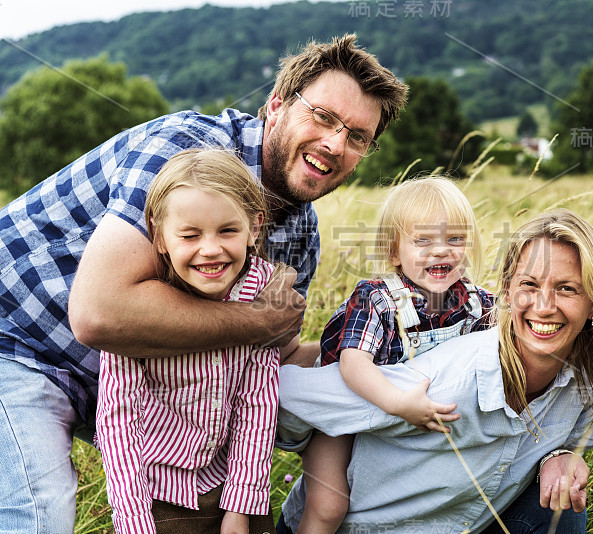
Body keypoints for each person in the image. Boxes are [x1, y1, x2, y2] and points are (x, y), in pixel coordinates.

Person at [0, 34, 407, 534]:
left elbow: (264, 360)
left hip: (123, 388)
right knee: (38, 517)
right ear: (276, 106)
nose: (335, 144)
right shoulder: (187, 152)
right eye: (323, 116)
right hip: (21, 344)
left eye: (357, 136)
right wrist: (255, 322)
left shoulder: (300, 234)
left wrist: (378, 358)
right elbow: (98, 313)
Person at [276, 209, 593, 533]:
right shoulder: (439, 382)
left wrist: (560, 456)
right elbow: (286, 397)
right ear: (506, 291)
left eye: (567, 289)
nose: (544, 306)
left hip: (465, 523)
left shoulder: (588, 385)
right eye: (529, 285)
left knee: (560, 506)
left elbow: (566, 438)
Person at [96, 149, 281, 534]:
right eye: (190, 235)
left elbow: (257, 401)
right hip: (154, 493)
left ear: (255, 227)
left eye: (228, 230)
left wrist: (241, 504)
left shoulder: (261, 290)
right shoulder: (138, 306)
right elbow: (118, 419)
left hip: (231, 479)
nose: (210, 249)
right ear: (159, 236)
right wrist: (135, 523)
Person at [297, 177, 495, 533]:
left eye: (455, 239)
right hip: (344, 410)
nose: (441, 251)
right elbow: (352, 364)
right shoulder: (377, 298)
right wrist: (399, 403)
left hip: (406, 420)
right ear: (393, 252)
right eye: (423, 241)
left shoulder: (477, 302)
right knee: (329, 504)